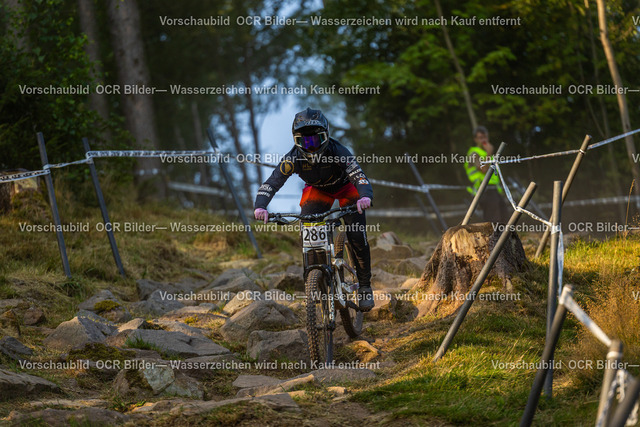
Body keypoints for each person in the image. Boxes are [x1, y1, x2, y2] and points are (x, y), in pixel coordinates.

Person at [254, 108, 374, 311]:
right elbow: (272, 182)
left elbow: (358, 175)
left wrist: (365, 196)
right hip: (318, 190)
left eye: (316, 140)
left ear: (326, 137)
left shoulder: (338, 151)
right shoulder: (292, 158)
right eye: (305, 141)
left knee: (356, 235)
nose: (311, 147)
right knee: (308, 232)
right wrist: (260, 206)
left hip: (347, 188)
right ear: (296, 141)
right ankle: (315, 282)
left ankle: (364, 287)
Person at [464, 126, 510, 223]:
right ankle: (493, 234)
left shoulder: (486, 154)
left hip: (494, 190)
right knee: (493, 220)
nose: (484, 140)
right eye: (481, 138)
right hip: (483, 190)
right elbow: (484, 169)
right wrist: (489, 153)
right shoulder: (474, 153)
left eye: (485, 137)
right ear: (475, 139)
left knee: (505, 218)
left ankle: (504, 233)